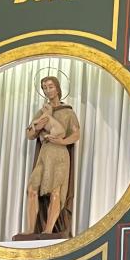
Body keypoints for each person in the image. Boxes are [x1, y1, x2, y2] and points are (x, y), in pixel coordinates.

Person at [24, 75, 80, 236]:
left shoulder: (67, 111)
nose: (48, 90)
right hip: (45, 153)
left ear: (57, 88)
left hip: (59, 154)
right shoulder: (42, 111)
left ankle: (48, 230)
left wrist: (62, 142)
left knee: (56, 191)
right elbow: (30, 135)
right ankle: (29, 229)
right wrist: (38, 126)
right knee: (32, 189)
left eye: (50, 86)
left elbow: (76, 135)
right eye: (44, 88)